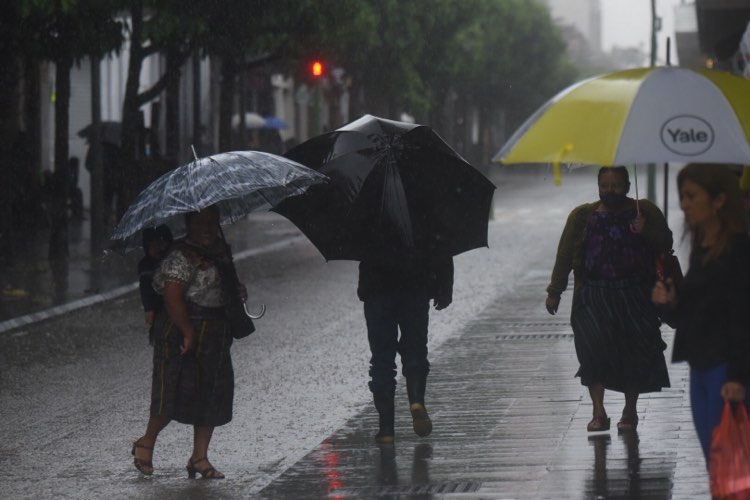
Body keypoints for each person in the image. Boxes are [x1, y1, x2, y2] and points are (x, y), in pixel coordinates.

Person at [545, 166, 672, 432]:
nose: (610, 191)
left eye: (615, 185)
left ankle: (630, 410)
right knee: (592, 354)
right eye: (605, 185)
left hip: (634, 295)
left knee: (633, 354)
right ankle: (598, 412)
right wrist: (554, 292)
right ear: (598, 186)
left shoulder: (644, 211)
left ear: (627, 186)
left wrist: (645, 229)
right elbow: (565, 254)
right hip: (593, 296)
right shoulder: (582, 216)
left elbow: (664, 244)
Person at [131, 205, 245, 478]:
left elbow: (221, 284)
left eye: (211, 221)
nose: (206, 228)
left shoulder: (220, 250)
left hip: (215, 332)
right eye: (200, 222)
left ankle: (199, 457)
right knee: (170, 390)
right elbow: (172, 296)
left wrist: (236, 290)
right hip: (179, 332)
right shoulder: (180, 255)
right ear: (188, 223)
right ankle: (145, 443)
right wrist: (188, 331)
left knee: (211, 393)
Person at [652, 163, 750, 464]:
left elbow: (742, 315)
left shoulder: (739, 249)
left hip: (726, 370)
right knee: (716, 461)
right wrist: (669, 303)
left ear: (719, 200)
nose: (684, 204)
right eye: (682, 196)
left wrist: (737, 376)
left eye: (692, 196)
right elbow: (692, 318)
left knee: (731, 464)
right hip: (701, 366)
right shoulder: (701, 247)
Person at [357, 251, 453, 444]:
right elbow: (441, 246)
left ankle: (386, 429)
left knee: (382, 360)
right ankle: (416, 401)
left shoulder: (368, 220)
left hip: (378, 288)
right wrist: (444, 286)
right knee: (415, 349)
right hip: (414, 284)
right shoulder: (420, 220)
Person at [137, 225, 173, 332]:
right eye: (152, 244)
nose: (156, 246)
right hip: (158, 305)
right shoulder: (145, 266)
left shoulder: (173, 257)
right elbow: (145, 289)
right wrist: (149, 309)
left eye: (159, 242)